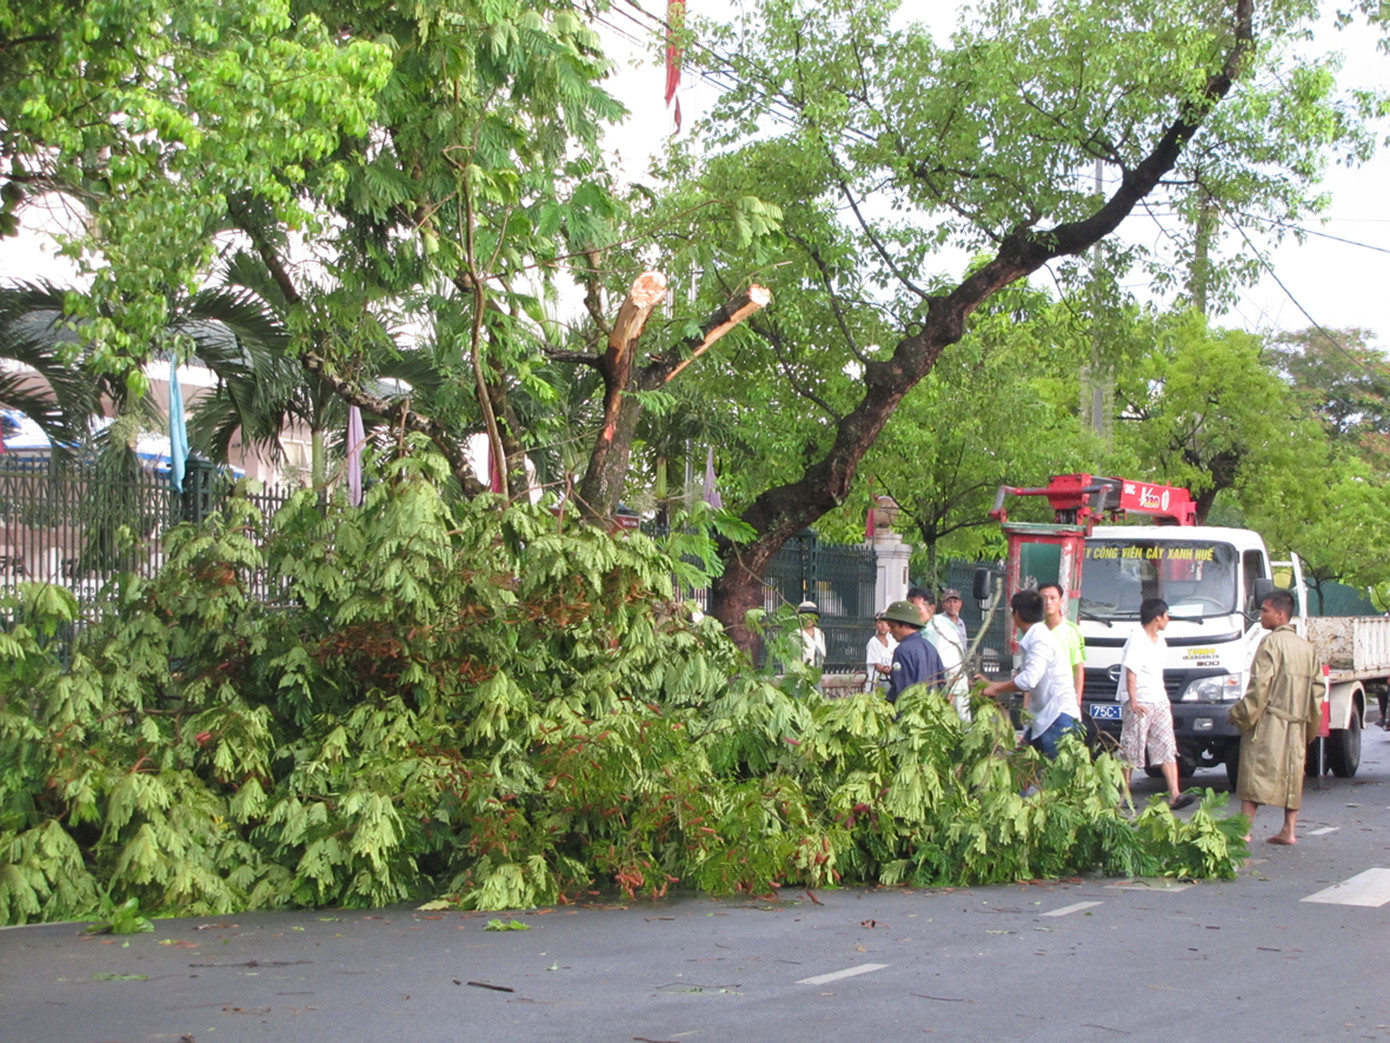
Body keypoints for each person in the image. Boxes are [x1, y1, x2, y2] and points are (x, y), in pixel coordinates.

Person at [1227, 590, 1326, 845]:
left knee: (1253, 774)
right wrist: (1310, 728)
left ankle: (1243, 830)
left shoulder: (1270, 643)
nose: (1261, 615)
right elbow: (1317, 692)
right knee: (1293, 776)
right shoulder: (1307, 648)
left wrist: (1239, 714)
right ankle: (1289, 831)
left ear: (1280, 615)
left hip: (1270, 721)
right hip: (1297, 723)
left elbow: (1259, 687)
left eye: (1265, 610)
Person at [980, 589, 1081, 758]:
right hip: (1042, 718)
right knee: (1021, 771)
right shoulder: (1037, 636)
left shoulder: (1039, 639)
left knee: (1055, 779)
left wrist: (996, 688)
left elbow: (1029, 680)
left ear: (1016, 614)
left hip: (1057, 718)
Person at [1117, 598, 1194, 810]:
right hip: (1140, 700)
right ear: (1157, 617)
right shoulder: (1137, 640)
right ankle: (1123, 796)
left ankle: (1175, 794)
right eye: (1166, 615)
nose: (1168, 620)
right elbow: (1131, 673)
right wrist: (1133, 702)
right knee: (1131, 748)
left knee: (1167, 746)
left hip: (1158, 699)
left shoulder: (1160, 642)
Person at [882, 599, 946, 705]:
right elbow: (941, 681)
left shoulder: (902, 651)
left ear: (906, 625)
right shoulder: (930, 647)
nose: (891, 631)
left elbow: (902, 691)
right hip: (928, 711)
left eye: (893, 627)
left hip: (909, 715)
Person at [928, 592, 971, 721]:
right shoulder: (937, 622)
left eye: (955, 601)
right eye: (949, 601)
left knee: (962, 708)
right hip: (944, 671)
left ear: (960, 603)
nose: (952, 605)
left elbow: (963, 649)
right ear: (943, 604)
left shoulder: (961, 623)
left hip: (960, 671)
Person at [1039, 582, 1085, 704]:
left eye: (1053, 598)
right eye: (1044, 598)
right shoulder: (1036, 631)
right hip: (1040, 699)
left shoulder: (1072, 631)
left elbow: (1078, 668)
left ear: (1061, 601)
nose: (1048, 602)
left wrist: (1077, 702)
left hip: (1063, 699)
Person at [865, 612, 898, 693]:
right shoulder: (873, 642)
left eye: (886, 623)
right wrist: (889, 671)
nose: (883, 626)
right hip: (877, 683)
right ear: (875, 625)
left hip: (891, 681)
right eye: (880, 623)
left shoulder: (892, 642)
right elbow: (878, 666)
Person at [796, 600, 826, 668]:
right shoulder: (794, 634)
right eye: (805, 616)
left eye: (811, 616)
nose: (808, 619)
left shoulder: (820, 634)